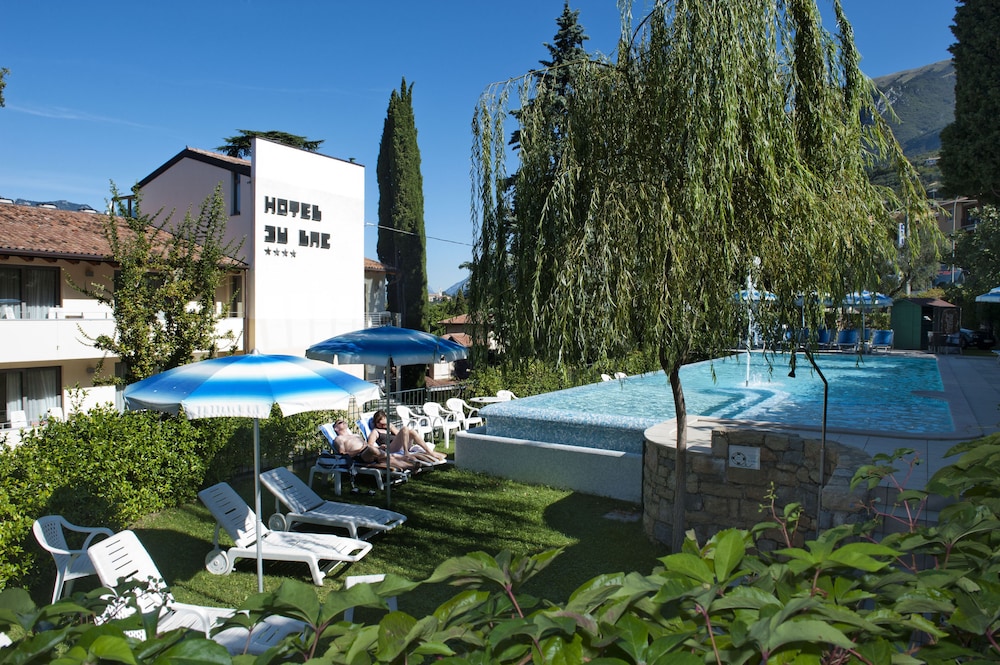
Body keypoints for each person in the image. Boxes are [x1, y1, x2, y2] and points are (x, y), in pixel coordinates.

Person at [331, 419, 417, 471]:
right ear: (336, 428)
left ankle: (411, 466)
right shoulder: (339, 439)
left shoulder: (356, 435)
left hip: (369, 451)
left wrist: (379, 447)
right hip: (359, 456)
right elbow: (342, 454)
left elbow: (367, 445)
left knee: (379, 454)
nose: (343, 422)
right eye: (340, 422)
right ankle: (400, 457)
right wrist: (361, 449)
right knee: (373, 450)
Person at [367, 410, 447, 464]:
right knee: (405, 428)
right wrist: (380, 447)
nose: (381, 425)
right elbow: (369, 446)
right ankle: (406, 452)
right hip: (390, 449)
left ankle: (428, 451)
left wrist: (390, 427)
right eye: (379, 423)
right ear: (375, 423)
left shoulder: (390, 427)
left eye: (383, 423)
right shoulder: (375, 431)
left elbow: (402, 435)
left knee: (411, 431)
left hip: (400, 447)